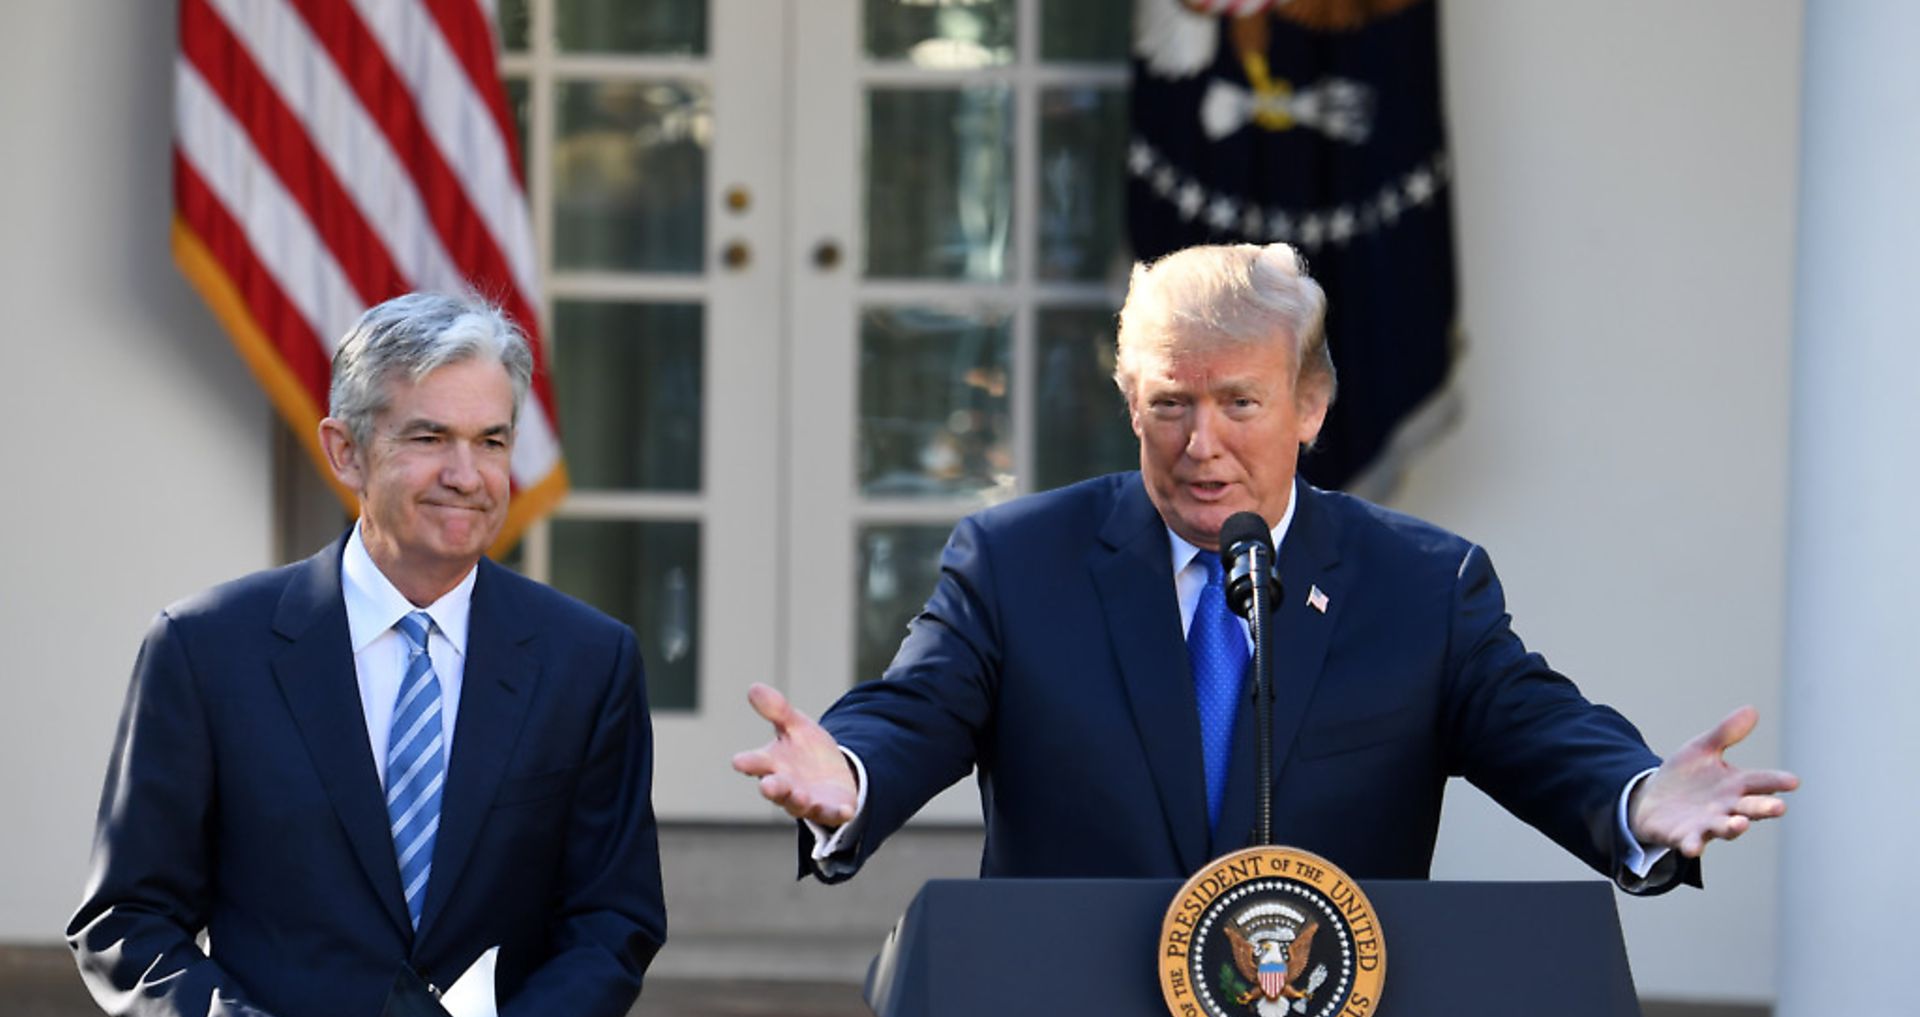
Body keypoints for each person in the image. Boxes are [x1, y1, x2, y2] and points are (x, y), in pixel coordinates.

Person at [733, 242, 1796, 890]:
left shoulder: (1421, 583)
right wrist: (852, 774)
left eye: (1241, 404)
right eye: (1169, 405)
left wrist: (1638, 793)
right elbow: (917, 706)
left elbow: (1535, 727)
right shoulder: (1017, 560)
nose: (1203, 445)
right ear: (1128, 401)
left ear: (1312, 406)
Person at [69, 294, 666, 1017]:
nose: (467, 475)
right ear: (345, 450)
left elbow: (611, 920)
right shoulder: (204, 649)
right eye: (429, 437)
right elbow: (125, 921)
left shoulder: (588, 660)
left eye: (492, 441)